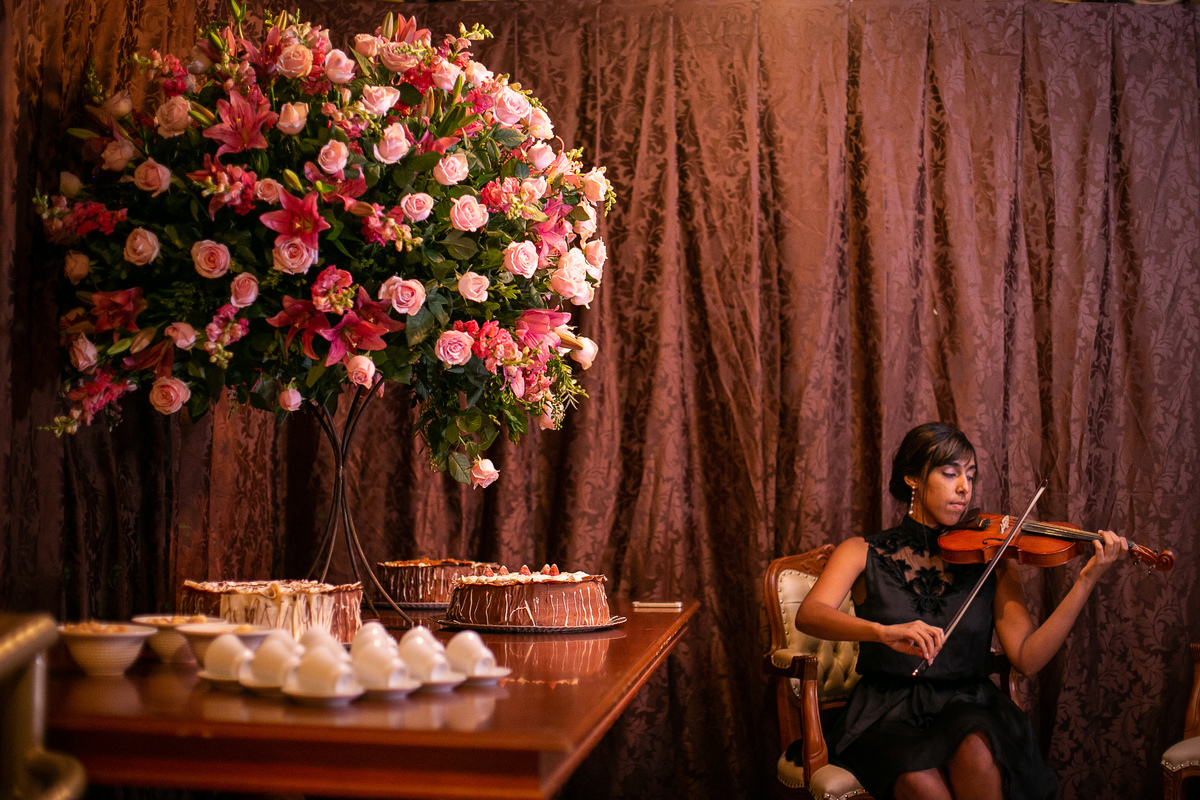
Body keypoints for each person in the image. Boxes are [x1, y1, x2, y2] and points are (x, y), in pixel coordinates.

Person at [794, 422, 1129, 800]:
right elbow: (810, 614)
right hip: (884, 710)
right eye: (950, 473)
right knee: (917, 781)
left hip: (967, 704)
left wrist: (1086, 581)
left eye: (970, 476)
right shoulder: (862, 551)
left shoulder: (995, 556)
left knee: (976, 749)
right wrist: (883, 632)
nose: (964, 488)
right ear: (913, 479)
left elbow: (1028, 658)